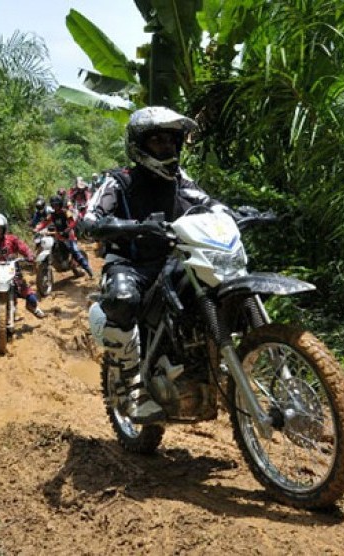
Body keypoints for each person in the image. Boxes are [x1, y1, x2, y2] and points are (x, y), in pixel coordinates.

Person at [80, 106, 226, 424]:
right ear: (139, 145)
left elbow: (210, 204)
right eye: (158, 141)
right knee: (122, 298)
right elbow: (90, 220)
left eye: (172, 141)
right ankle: (129, 385)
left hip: (176, 262)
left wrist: (237, 214)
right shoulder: (119, 181)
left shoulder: (181, 181)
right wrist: (135, 227)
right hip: (131, 265)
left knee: (219, 288)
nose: (167, 148)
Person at [0, 212, 46, 321]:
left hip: (14, 273)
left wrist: (29, 256)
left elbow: (23, 247)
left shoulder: (12, 240)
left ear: (4, 228)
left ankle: (33, 307)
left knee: (30, 296)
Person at [34, 195, 94, 278]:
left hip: (69, 236)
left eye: (56, 205)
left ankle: (88, 269)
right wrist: (37, 228)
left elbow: (72, 222)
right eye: (53, 205)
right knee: (51, 246)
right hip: (58, 236)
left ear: (60, 204)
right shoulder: (52, 215)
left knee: (75, 251)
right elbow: (45, 222)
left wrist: (67, 230)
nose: (55, 206)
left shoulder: (66, 212)